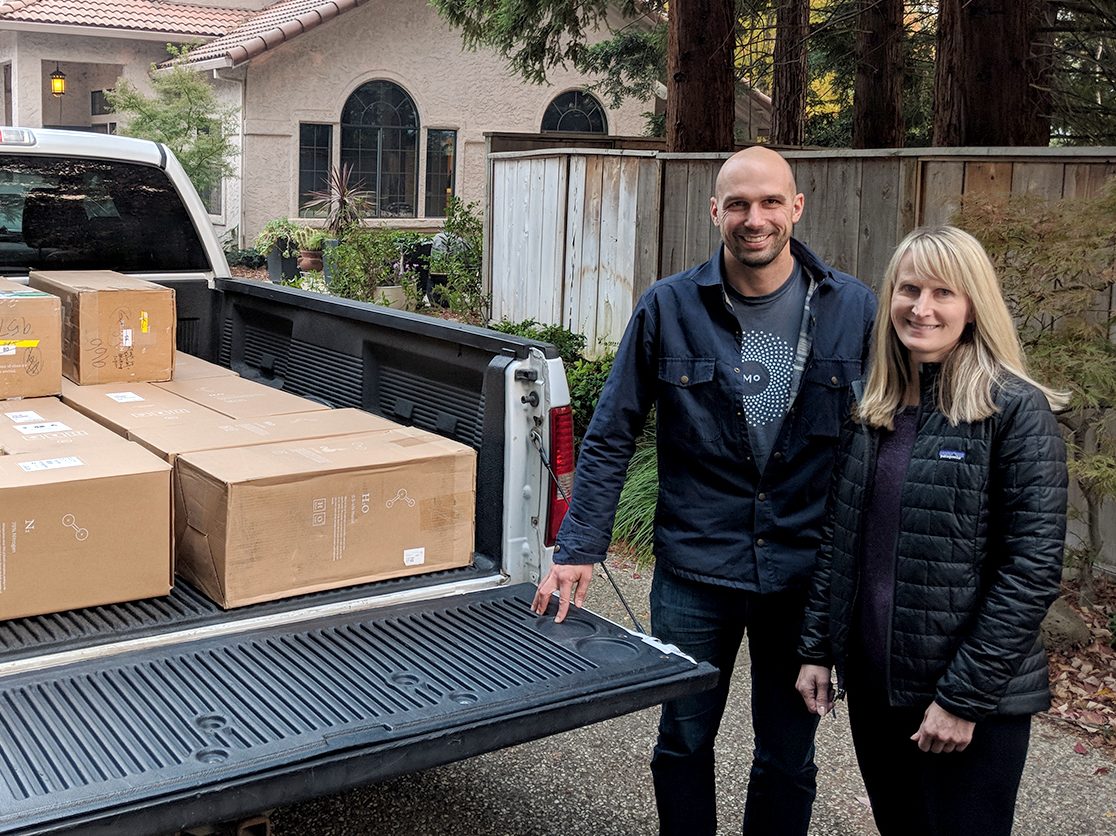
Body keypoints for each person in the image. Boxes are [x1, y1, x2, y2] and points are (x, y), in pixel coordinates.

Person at [531, 146, 877, 835]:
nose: (756, 218)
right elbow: (611, 433)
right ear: (715, 210)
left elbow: (882, 443)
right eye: (740, 204)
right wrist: (578, 546)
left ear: (796, 208)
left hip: (801, 575)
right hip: (695, 569)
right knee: (683, 742)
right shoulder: (668, 307)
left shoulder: (853, 309)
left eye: (771, 202)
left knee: (788, 754)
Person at [796, 225, 1068, 836]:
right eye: (909, 289)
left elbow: (1030, 572)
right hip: (876, 687)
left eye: (943, 292)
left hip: (968, 700)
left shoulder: (1013, 410)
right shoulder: (875, 409)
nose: (922, 308)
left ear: (973, 305)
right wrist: (817, 648)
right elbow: (840, 544)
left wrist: (961, 699)